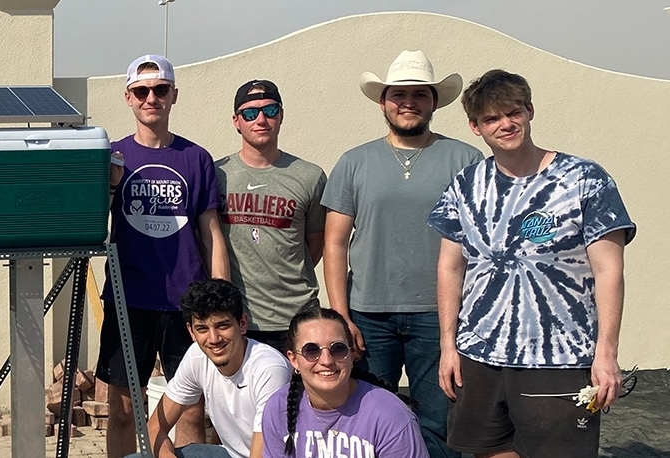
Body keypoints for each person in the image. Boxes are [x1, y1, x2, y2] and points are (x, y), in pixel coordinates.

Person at [429, 70, 636, 458]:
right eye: (492, 118)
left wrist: (605, 353)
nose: (505, 124)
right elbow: (450, 267)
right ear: (476, 127)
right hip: (479, 354)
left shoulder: (584, 179)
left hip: (558, 357)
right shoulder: (465, 185)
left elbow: (610, 271)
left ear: (530, 111)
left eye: (514, 112)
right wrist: (448, 345)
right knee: (488, 451)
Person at [320, 49, 481, 458]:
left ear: (434, 101)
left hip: (439, 316)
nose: (408, 102)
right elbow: (334, 243)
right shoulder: (354, 162)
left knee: (440, 421)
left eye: (419, 94)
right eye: (398, 94)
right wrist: (340, 315)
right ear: (383, 102)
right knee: (364, 417)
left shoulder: (465, 160)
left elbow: (481, 243)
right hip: (368, 316)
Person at [98, 54, 228, 457]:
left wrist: (220, 297)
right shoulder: (111, 156)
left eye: (160, 90)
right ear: (128, 98)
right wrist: (110, 187)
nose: (151, 98)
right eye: (142, 91)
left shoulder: (196, 158)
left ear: (174, 95)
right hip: (128, 300)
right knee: (121, 412)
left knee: (191, 411)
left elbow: (211, 233)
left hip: (185, 303)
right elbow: (87, 222)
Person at [216, 80, 327, 354]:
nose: (261, 119)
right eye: (250, 113)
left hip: (297, 316)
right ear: (236, 121)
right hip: (239, 317)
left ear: (281, 115)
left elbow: (316, 243)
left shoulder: (310, 176)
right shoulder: (217, 175)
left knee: (301, 396)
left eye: (270, 110)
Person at [133, 279, 291, 458]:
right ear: (191, 332)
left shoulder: (269, 369)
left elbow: (263, 453)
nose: (214, 338)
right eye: (202, 329)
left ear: (243, 324)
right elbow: (154, 428)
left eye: (222, 326)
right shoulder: (197, 356)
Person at [260, 307, 428, 458]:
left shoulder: (390, 415)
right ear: (294, 359)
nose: (326, 360)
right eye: (311, 350)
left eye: (337, 349)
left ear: (351, 355)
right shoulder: (277, 408)